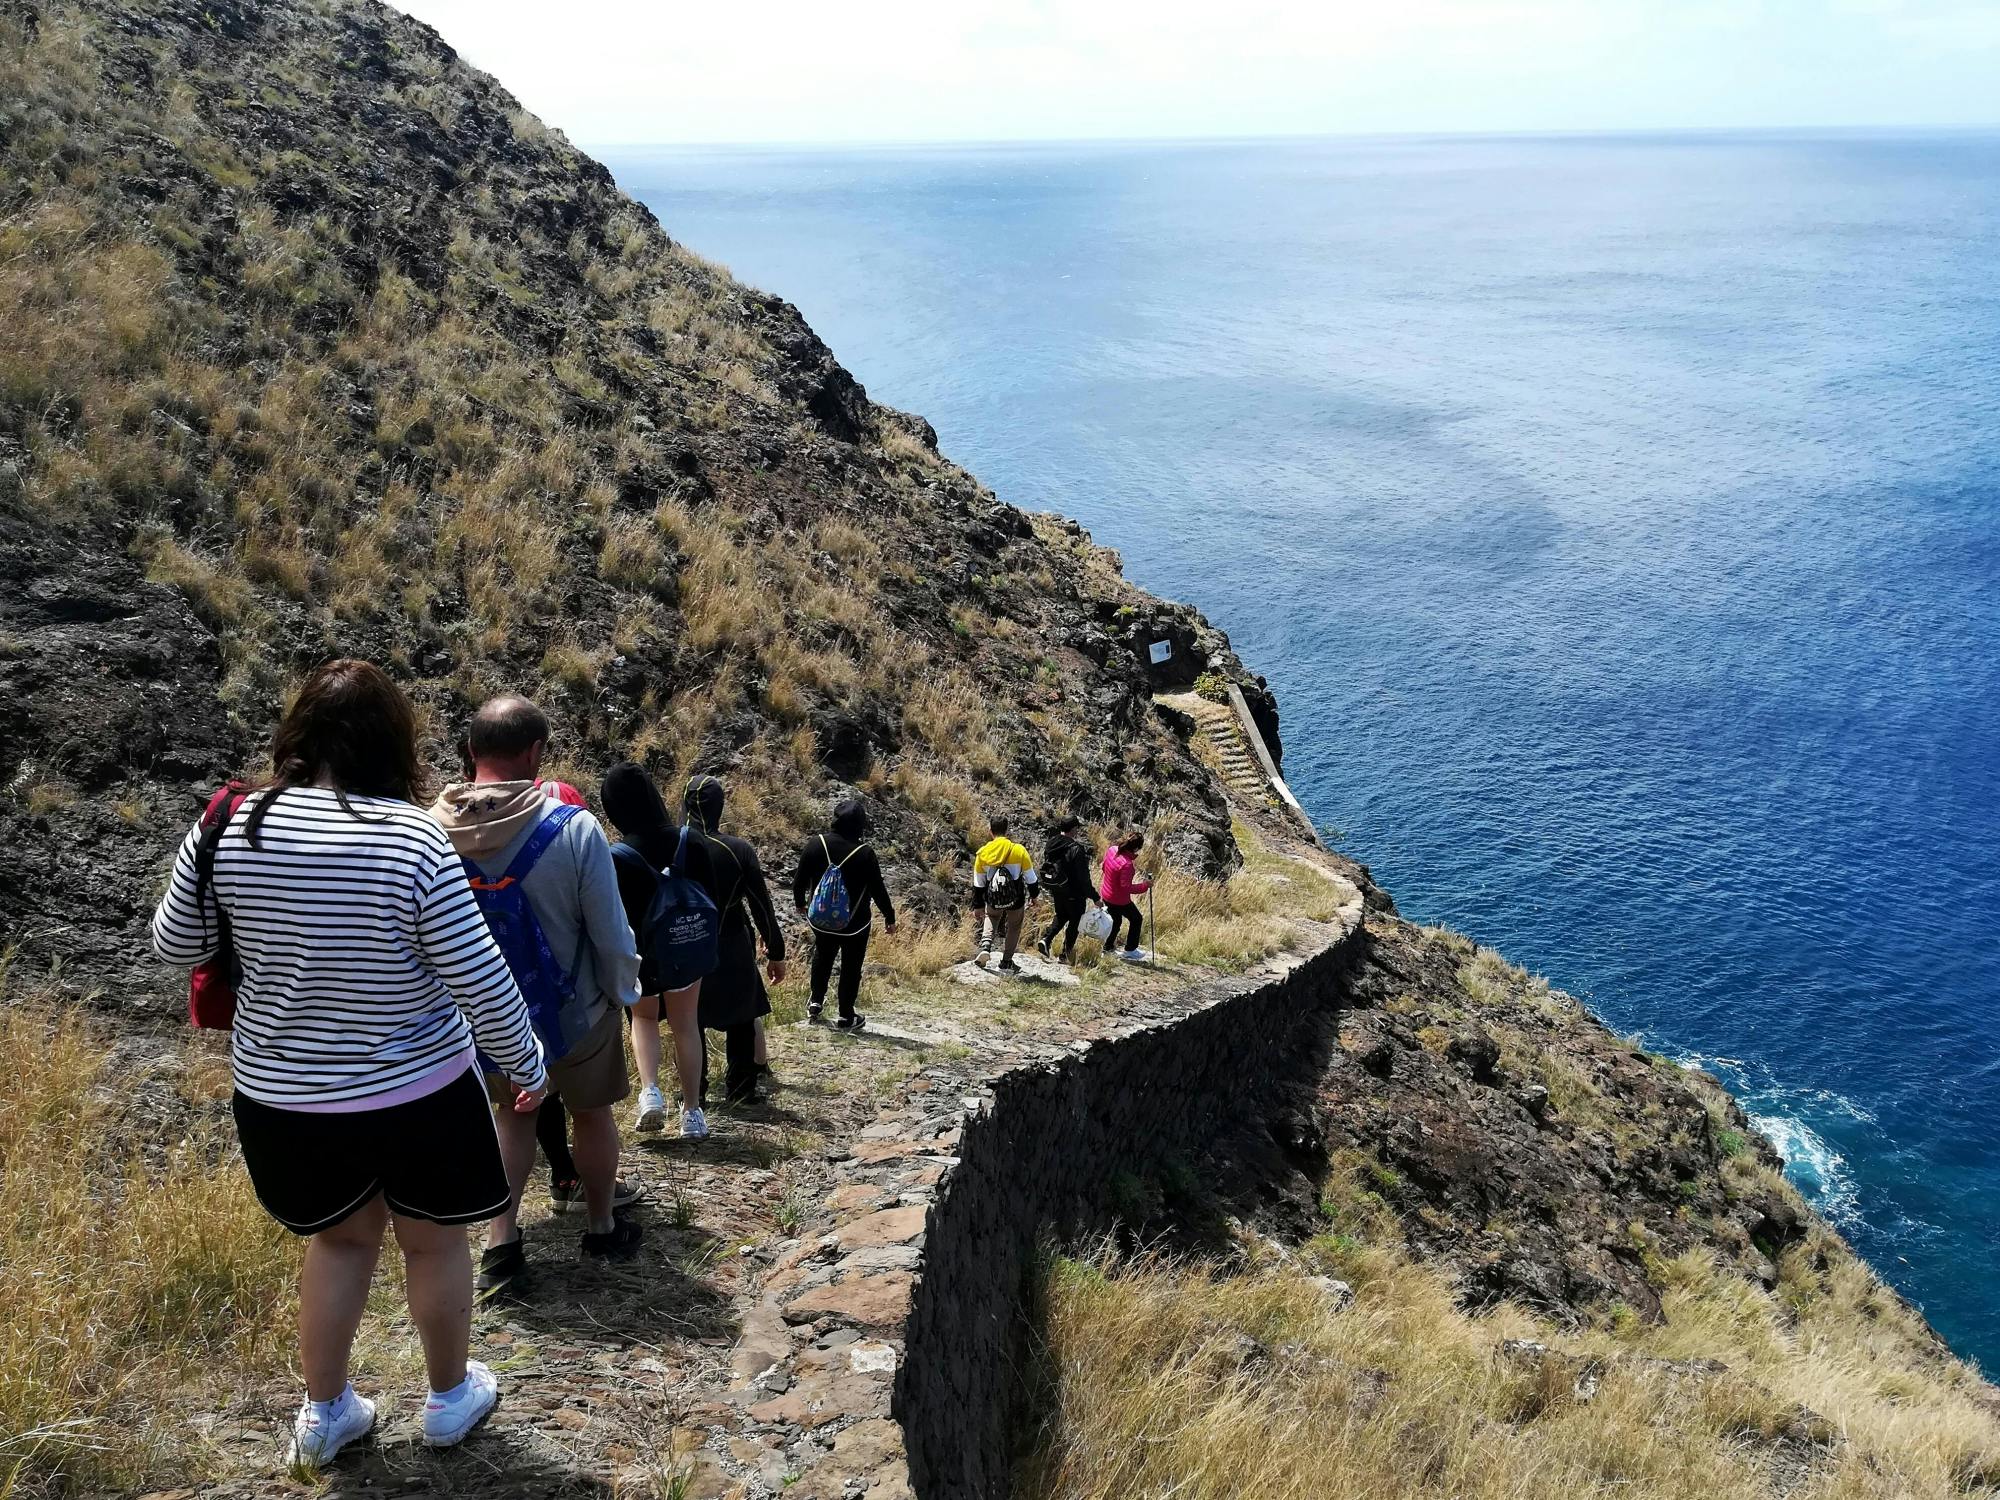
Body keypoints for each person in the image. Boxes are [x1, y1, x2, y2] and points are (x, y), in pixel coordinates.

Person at [150, 660, 543, 1467]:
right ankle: (446, 1399)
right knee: (433, 1245)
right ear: (392, 743)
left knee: (339, 1243)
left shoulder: (230, 820)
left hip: (284, 1093)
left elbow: (175, 943)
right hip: (419, 1090)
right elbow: (478, 976)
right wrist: (525, 1063)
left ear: (296, 733)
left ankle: (325, 1412)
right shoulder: (409, 837)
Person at [432, 695, 644, 1294]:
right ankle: (601, 1225)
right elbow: (609, 928)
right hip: (574, 1012)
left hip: (477, 1017)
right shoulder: (571, 827)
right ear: (535, 754)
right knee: (591, 1113)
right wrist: (621, 991)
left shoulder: (425, 831)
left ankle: (502, 1240)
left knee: (509, 1115)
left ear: (471, 752)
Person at [601, 761, 710, 1140]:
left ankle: (650, 1092)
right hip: (685, 945)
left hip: (642, 952)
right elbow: (709, 893)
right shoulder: (689, 839)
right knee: (686, 1024)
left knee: (643, 1020)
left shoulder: (616, 854)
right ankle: (693, 1112)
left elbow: (614, 912)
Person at [677, 774, 787, 1105]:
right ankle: (741, 1088)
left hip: (684, 945)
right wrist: (776, 952)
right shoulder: (737, 850)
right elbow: (761, 906)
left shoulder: (673, 845)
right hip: (731, 941)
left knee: (689, 1020)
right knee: (741, 1014)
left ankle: (693, 1092)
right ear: (720, 807)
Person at [791, 797, 897, 1031]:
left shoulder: (816, 844)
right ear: (861, 825)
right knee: (851, 966)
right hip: (855, 924)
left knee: (823, 955)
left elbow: (799, 881)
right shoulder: (865, 853)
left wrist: (800, 903)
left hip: (821, 920)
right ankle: (846, 1015)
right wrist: (889, 917)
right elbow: (878, 889)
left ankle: (815, 1002)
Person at [970, 814, 1039, 973]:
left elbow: (978, 883)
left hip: (992, 897)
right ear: (1006, 830)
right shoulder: (1018, 850)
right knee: (1014, 926)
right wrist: (1034, 897)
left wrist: (978, 906)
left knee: (991, 917)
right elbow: (1031, 878)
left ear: (990, 831)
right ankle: (1006, 961)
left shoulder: (983, 853)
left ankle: (985, 945)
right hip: (1016, 898)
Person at [1036, 815, 1095, 965]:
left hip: (1056, 888)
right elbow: (1083, 878)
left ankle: (1046, 939)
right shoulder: (1076, 848)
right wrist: (1095, 896)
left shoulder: (1051, 844)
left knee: (1061, 915)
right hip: (1074, 892)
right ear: (1074, 828)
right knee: (1074, 921)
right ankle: (1065, 955)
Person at [1099, 829, 1154, 962]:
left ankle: (1107, 948)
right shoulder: (1127, 865)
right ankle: (1130, 950)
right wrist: (1145, 885)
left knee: (1116, 921)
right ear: (1136, 848)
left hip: (1106, 893)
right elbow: (1126, 887)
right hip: (1118, 899)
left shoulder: (1112, 850)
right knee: (1136, 919)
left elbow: (1104, 867)